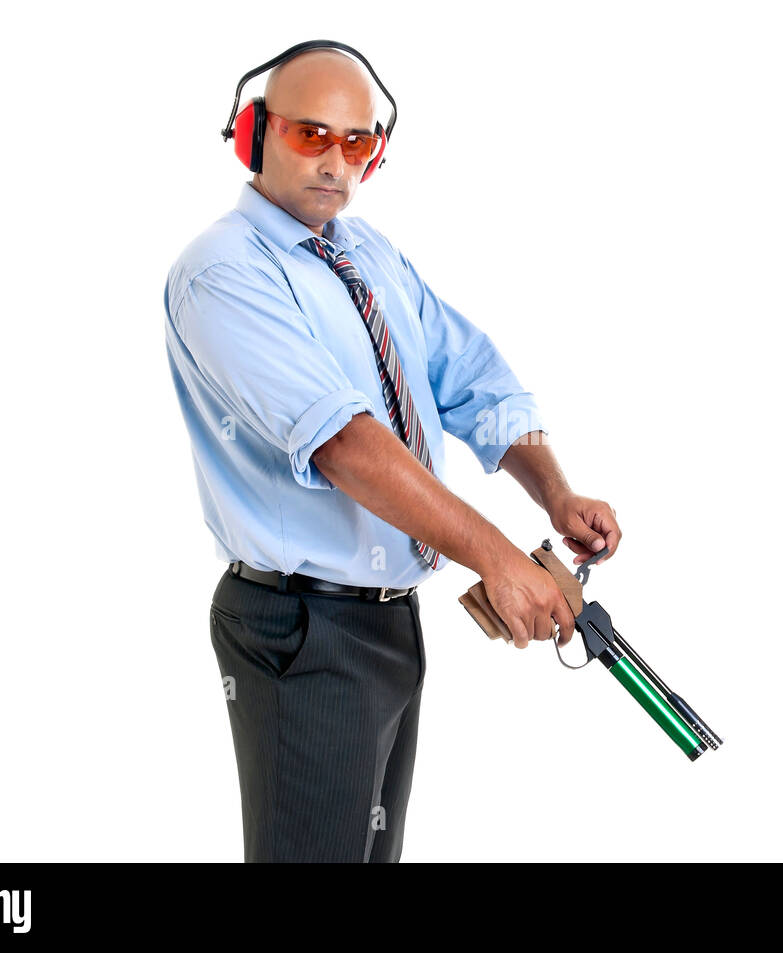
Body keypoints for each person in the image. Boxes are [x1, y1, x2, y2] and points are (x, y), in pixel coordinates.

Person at [162, 46, 622, 862]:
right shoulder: (224, 272)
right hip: (301, 628)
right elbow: (344, 443)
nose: (338, 163)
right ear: (252, 135)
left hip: (386, 621)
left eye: (359, 143)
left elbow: (472, 378)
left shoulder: (366, 253)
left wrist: (551, 491)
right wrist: (499, 558)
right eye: (311, 135)